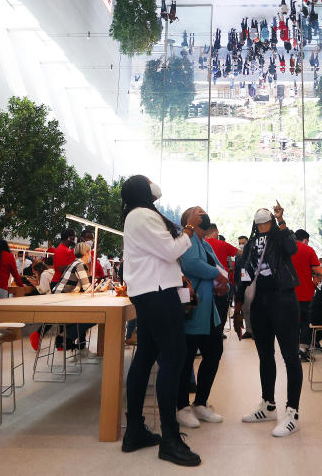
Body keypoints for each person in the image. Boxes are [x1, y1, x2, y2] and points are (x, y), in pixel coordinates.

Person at [120, 175, 201, 467]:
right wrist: (189, 227)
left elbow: (160, 254)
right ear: (143, 191)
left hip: (149, 292)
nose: (155, 184)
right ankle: (169, 440)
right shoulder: (143, 216)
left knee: (146, 357)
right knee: (174, 357)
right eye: (149, 181)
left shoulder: (137, 216)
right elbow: (171, 250)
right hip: (157, 292)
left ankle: (135, 431)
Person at [232, 204, 302, 438]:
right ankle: (268, 404)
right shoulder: (250, 243)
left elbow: (292, 248)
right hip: (260, 303)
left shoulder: (281, 237)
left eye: (267, 215)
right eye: (260, 216)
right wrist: (239, 305)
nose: (262, 217)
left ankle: (292, 412)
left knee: (290, 356)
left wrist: (282, 222)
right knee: (264, 355)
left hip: (283, 299)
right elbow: (245, 274)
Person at [176, 207, 228, 429]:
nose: (204, 215)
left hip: (209, 310)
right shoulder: (184, 240)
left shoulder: (205, 244)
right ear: (190, 218)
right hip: (192, 308)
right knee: (185, 361)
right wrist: (217, 275)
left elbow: (217, 266)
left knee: (214, 353)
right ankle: (181, 407)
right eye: (199, 213)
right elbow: (191, 265)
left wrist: (221, 278)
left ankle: (200, 403)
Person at [51, 241, 95, 350]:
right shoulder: (80, 265)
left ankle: (65, 337)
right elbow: (87, 288)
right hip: (62, 300)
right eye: (89, 252)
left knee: (87, 316)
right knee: (95, 317)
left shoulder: (75, 263)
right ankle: (65, 338)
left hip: (60, 298)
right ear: (86, 253)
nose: (90, 255)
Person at [291, 229, 322, 362]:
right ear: (305, 239)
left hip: (288, 294)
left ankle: (292, 350)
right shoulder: (309, 250)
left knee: (292, 322)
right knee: (305, 322)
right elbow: (318, 271)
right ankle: (303, 351)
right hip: (305, 293)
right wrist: (315, 283)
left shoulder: (287, 249)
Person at [203, 226, 236, 329]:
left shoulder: (200, 244)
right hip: (222, 283)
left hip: (205, 284)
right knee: (221, 312)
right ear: (216, 232)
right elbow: (239, 254)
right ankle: (219, 333)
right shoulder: (223, 244)